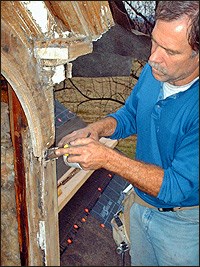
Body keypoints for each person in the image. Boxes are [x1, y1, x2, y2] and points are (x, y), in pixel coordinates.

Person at [55, 1, 199, 266]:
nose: (153, 57)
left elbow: (176, 187)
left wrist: (108, 159)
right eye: (155, 42)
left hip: (183, 225)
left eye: (170, 51)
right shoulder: (154, 71)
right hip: (141, 205)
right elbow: (132, 114)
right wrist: (96, 129)